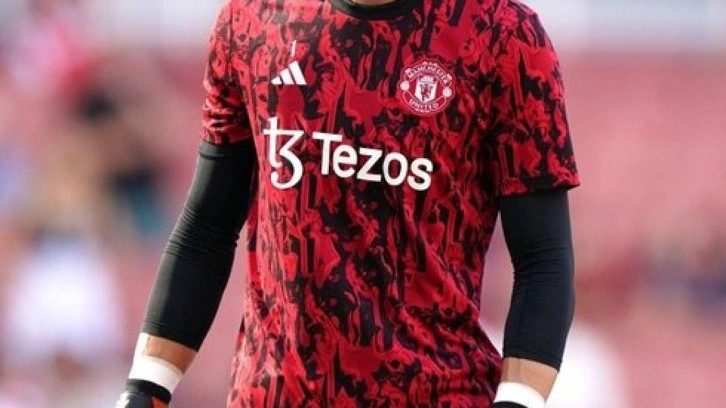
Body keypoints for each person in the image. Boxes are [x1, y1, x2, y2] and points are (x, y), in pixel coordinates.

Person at [116, 0, 580, 406]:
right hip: (273, 395)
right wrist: (147, 384)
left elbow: (542, 259)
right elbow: (208, 227)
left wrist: (519, 401)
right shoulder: (251, 20)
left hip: (438, 394)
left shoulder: (503, 35)